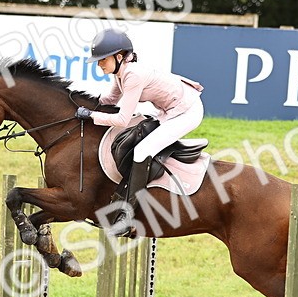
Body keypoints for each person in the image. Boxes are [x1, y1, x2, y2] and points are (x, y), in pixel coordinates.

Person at [78, 28, 205, 234]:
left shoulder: (132, 75)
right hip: (171, 109)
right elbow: (109, 101)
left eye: (103, 59)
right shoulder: (121, 73)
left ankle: (127, 215)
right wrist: (80, 102)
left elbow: (121, 119)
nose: (99, 64)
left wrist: (91, 116)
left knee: (141, 151)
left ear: (119, 57)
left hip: (187, 111)